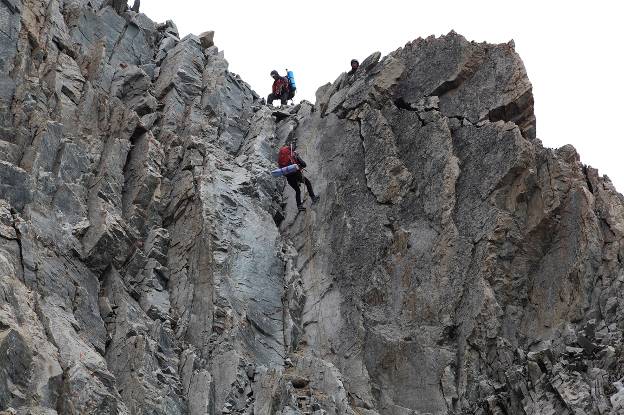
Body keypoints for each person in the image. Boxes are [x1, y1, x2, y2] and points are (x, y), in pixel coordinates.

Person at [277, 145, 319, 211]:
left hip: (289, 179)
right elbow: (304, 164)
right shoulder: (293, 155)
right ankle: (313, 198)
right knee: (307, 183)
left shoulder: (281, 161)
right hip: (297, 174)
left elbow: (283, 171)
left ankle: (299, 206)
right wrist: (297, 156)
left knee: (297, 191)